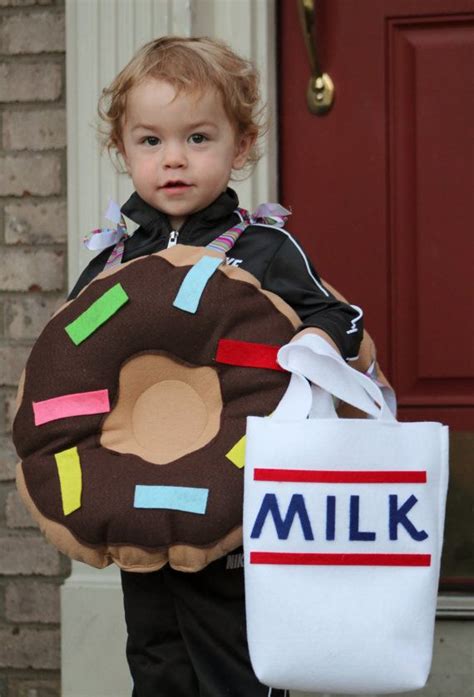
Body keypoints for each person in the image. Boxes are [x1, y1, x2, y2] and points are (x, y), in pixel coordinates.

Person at [69, 36, 363, 697]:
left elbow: (341, 318)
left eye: (198, 137)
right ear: (122, 149)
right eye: (150, 141)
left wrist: (311, 345)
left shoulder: (263, 250)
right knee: (154, 647)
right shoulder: (114, 265)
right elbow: (73, 353)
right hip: (139, 495)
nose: (173, 158)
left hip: (234, 491)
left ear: (242, 143)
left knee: (232, 648)